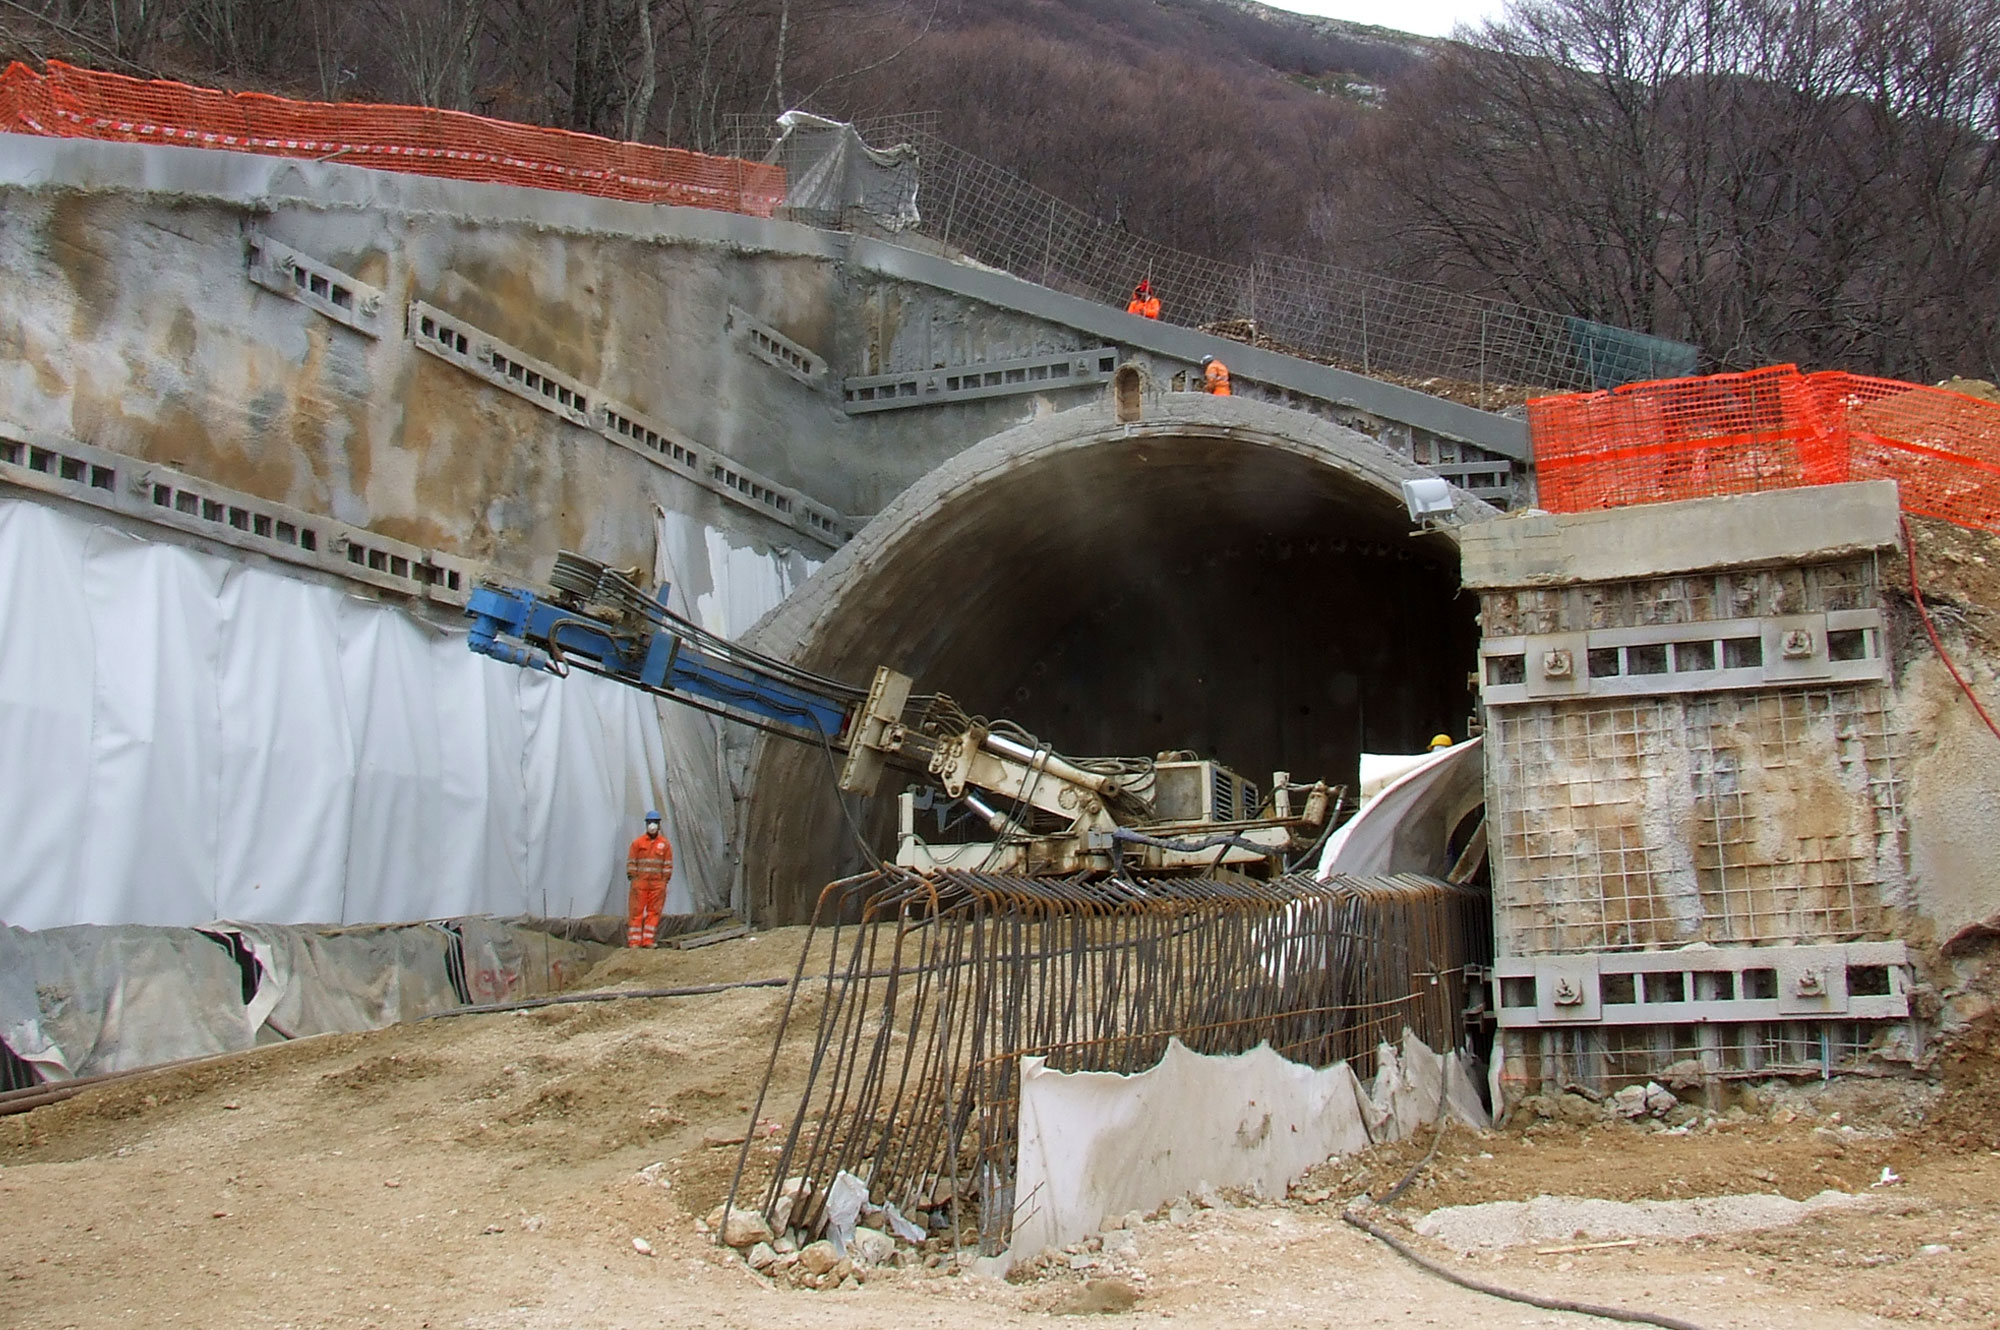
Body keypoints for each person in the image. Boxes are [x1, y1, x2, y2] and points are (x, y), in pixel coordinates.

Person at [625, 810, 673, 948]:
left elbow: (668, 864)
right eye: (650, 823)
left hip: (657, 884)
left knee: (654, 912)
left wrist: (664, 881)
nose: (652, 825)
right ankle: (634, 942)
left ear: (659, 825)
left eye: (655, 823)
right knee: (636, 912)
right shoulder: (637, 843)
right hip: (640, 883)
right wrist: (633, 878)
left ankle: (648, 941)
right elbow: (631, 861)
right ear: (646, 824)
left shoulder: (665, 844)